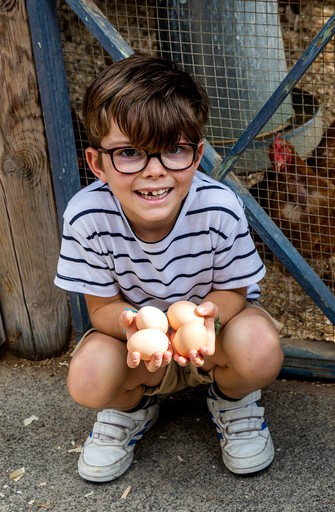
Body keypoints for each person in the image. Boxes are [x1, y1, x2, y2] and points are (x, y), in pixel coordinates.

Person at [55, 54, 284, 482]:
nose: (154, 171)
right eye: (128, 153)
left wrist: (207, 319)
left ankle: (232, 398)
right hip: (141, 353)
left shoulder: (219, 206)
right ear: (96, 163)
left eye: (173, 150)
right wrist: (132, 328)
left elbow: (234, 292)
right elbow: (100, 306)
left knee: (259, 347)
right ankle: (131, 408)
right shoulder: (86, 217)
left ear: (197, 155)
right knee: (87, 379)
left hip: (213, 343)